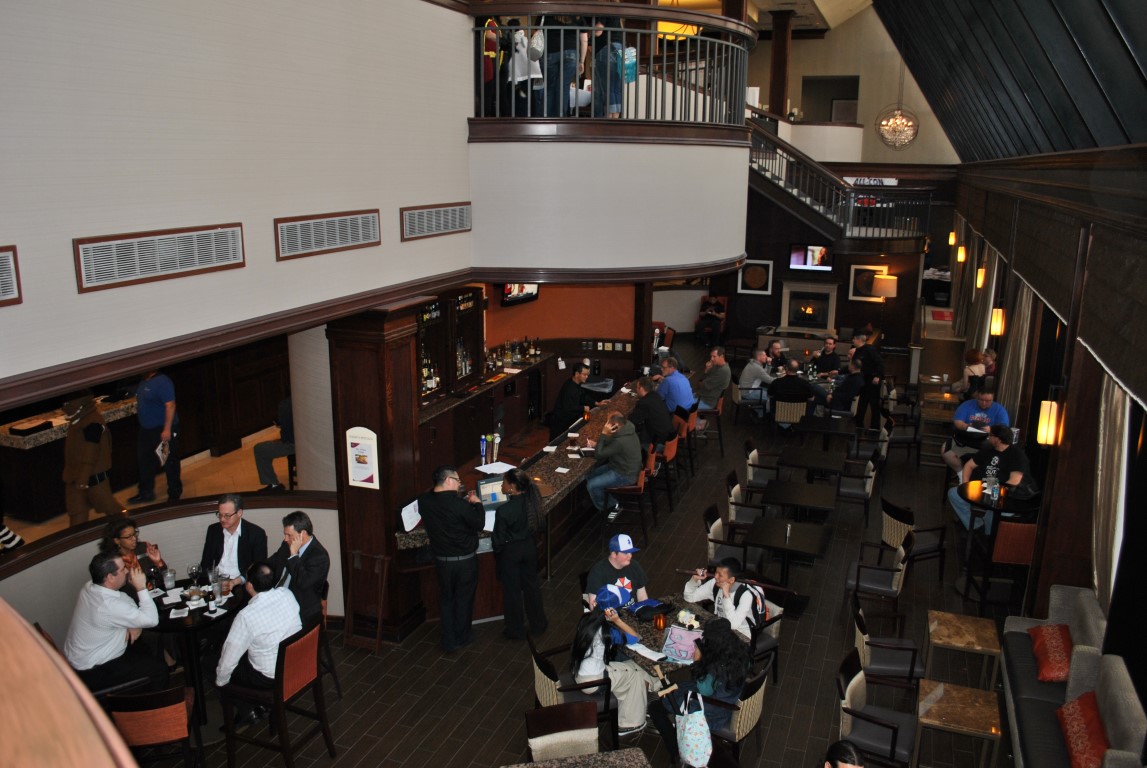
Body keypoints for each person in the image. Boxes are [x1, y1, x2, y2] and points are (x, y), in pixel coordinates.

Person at [648, 617, 752, 763]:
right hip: (731, 698)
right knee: (678, 688)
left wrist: (698, 662)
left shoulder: (718, 668)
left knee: (655, 708)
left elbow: (704, 690)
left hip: (714, 711)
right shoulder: (741, 651)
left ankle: (676, 749)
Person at [64, 550, 168, 693]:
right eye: (123, 569)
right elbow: (152, 620)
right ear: (110, 577)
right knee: (159, 670)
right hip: (93, 670)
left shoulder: (89, 587)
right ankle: (152, 705)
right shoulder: (108, 605)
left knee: (149, 644)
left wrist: (133, 624)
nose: (127, 571)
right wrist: (141, 587)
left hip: (85, 657)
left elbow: (124, 599)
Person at [215, 561, 302, 728]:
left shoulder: (246, 616)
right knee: (240, 655)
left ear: (249, 586)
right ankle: (258, 706)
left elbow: (228, 659)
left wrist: (220, 682)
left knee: (214, 663)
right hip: (296, 663)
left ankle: (247, 710)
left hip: (269, 677)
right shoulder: (287, 594)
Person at [570, 584, 657, 734]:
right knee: (635, 673)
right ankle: (629, 723)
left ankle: (646, 692)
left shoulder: (586, 619)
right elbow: (635, 637)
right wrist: (618, 621)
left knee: (629, 666)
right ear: (611, 611)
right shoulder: (606, 631)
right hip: (594, 682)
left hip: (579, 673)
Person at [419, 465, 486, 653]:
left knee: (446, 599)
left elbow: (429, 497)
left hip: (442, 562)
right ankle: (462, 636)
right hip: (465, 562)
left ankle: (448, 640)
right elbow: (479, 523)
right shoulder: (460, 505)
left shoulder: (424, 502)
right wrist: (477, 504)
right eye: (458, 480)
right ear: (448, 480)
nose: (459, 484)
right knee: (464, 600)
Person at [948, 424, 1036, 533]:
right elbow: (969, 465)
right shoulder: (988, 450)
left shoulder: (1017, 455)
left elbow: (1014, 481)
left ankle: (988, 536)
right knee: (954, 494)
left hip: (1006, 494)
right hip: (986, 486)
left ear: (998, 439)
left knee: (992, 512)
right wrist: (964, 484)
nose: (988, 438)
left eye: (990, 435)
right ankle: (976, 528)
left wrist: (992, 494)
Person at [492, 469, 548, 640]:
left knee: (512, 592)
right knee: (532, 588)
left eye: (504, 482)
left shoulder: (503, 511)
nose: (502, 485)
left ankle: (515, 630)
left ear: (512, 487)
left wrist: (499, 555)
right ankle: (538, 624)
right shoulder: (533, 502)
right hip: (529, 549)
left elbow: (498, 540)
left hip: (511, 553)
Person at [61, 392, 125, 526]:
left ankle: (126, 527)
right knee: (77, 512)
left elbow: (91, 451)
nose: (65, 407)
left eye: (68, 404)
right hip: (74, 476)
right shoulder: (77, 420)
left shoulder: (93, 422)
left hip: (94, 477)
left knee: (109, 507)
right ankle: (78, 536)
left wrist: (83, 477)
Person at [268, 510, 329, 625]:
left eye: (289, 535)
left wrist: (294, 556)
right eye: (285, 534)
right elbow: (273, 561)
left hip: (300, 607)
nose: (285, 539)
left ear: (302, 534)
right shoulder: (286, 544)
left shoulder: (319, 556)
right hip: (278, 597)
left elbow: (303, 583)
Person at [129, 370, 182, 504]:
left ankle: (174, 495)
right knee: (144, 461)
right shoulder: (143, 381)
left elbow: (170, 405)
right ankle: (146, 493)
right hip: (146, 430)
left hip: (163, 429)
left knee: (170, 462)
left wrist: (167, 429)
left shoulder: (163, 381)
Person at [200, 493, 269, 591]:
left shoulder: (256, 534)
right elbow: (205, 562)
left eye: (227, 516)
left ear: (239, 513)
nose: (222, 519)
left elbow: (258, 568)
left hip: (241, 584)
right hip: (215, 582)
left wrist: (237, 581)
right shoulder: (213, 530)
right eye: (220, 515)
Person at [682, 557, 756, 639]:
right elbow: (689, 597)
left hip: (742, 635)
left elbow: (733, 625)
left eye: (720, 575)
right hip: (722, 628)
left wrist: (726, 597)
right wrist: (694, 580)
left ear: (731, 580)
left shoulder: (745, 596)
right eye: (716, 572)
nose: (715, 577)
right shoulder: (715, 584)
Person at [584, 411, 641, 516]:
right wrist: (597, 444)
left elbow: (598, 454)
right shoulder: (627, 429)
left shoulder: (621, 441)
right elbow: (612, 445)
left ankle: (611, 506)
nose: (606, 425)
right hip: (620, 467)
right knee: (589, 475)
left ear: (616, 425)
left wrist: (604, 434)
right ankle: (600, 499)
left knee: (591, 485)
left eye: (608, 423)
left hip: (625, 474)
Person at [941, 390, 1010, 474]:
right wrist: (966, 426)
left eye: (988, 401)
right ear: (977, 398)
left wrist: (992, 429)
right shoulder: (967, 405)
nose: (984, 403)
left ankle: (979, 476)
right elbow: (957, 421)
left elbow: (1004, 429)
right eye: (981, 400)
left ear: (992, 399)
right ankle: (962, 474)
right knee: (946, 451)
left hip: (987, 442)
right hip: (965, 439)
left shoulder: (999, 410)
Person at [584, 533, 648, 609]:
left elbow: (642, 595)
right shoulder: (597, 572)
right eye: (625, 553)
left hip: (632, 611)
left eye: (630, 552)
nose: (630, 555)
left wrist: (644, 610)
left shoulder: (634, 566)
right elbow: (594, 605)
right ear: (614, 554)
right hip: (610, 613)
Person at [541, 14, 588, 117]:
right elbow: (584, 40)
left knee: (550, 87)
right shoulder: (577, 15)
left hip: (550, 52)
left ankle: (547, 119)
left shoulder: (547, 14)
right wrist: (582, 61)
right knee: (563, 87)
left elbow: (537, 32)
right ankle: (561, 119)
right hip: (571, 52)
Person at [550, 362, 605, 439]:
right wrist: (583, 408)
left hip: (569, 421)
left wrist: (597, 403)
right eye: (584, 374)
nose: (586, 377)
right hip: (561, 424)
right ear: (576, 374)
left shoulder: (576, 383)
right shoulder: (569, 389)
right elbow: (567, 408)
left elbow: (583, 396)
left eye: (587, 375)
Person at [101, 517, 166, 579]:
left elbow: (165, 574)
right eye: (129, 537)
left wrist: (157, 562)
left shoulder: (144, 547)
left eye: (134, 534)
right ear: (117, 540)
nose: (134, 538)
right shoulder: (113, 561)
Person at [254, 397, 295, 492]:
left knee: (259, 449)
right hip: (306, 442)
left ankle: (273, 485)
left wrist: (280, 425)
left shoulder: (285, 404)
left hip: (294, 444)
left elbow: (286, 438)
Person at [590, 6, 623, 119]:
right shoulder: (617, 13)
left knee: (607, 87)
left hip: (606, 48)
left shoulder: (604, 8)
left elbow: (598, 31)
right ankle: (615, 118)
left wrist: (589, 31)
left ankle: (609, 118)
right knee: (616, 88)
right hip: (620, 49)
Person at [628, 376, 674, 451]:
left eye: (637, 388)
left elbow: (632, 421)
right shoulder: (655, 395)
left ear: (641, 388)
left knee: (627, 441)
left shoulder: (644, 403)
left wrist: (623, 416)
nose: (636, 390)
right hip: (668, 436)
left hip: (657, 443)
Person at [850, 333, 885, 430]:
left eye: (854, 339)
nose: (853, 341)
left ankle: (875, 427)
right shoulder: (857, 351)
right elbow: (855, 366)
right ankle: (859, 424)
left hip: (873, 379)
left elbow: (880, 363)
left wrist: (878, 376)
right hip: (863, 379)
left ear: (859, 340)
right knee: (862, 402)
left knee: (874, 404)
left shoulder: (870, 349)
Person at [739, 347, 775, 420]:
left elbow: (765, 375)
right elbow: (770, 380)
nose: (766, 357)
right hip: (748, 392)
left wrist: (768, 364)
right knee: (772, 397)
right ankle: (762, 416)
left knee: (770, 392)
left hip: (746, 389)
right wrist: (784, 379)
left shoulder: (753, 363)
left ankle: (759, 412)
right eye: (764, 355)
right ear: (759, 357)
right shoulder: (756, 367)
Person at [695, 346, 731, 412]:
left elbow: (702, 385)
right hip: (702, 395)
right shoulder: (716, 365)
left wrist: (702, 382)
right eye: (711, 356)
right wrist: (707, 369)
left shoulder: (723, 371)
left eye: (714, 356)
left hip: (707, 401)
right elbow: (704, 380)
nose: (711, 359)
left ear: (721, 356)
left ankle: (698, 418)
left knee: (683, 406)